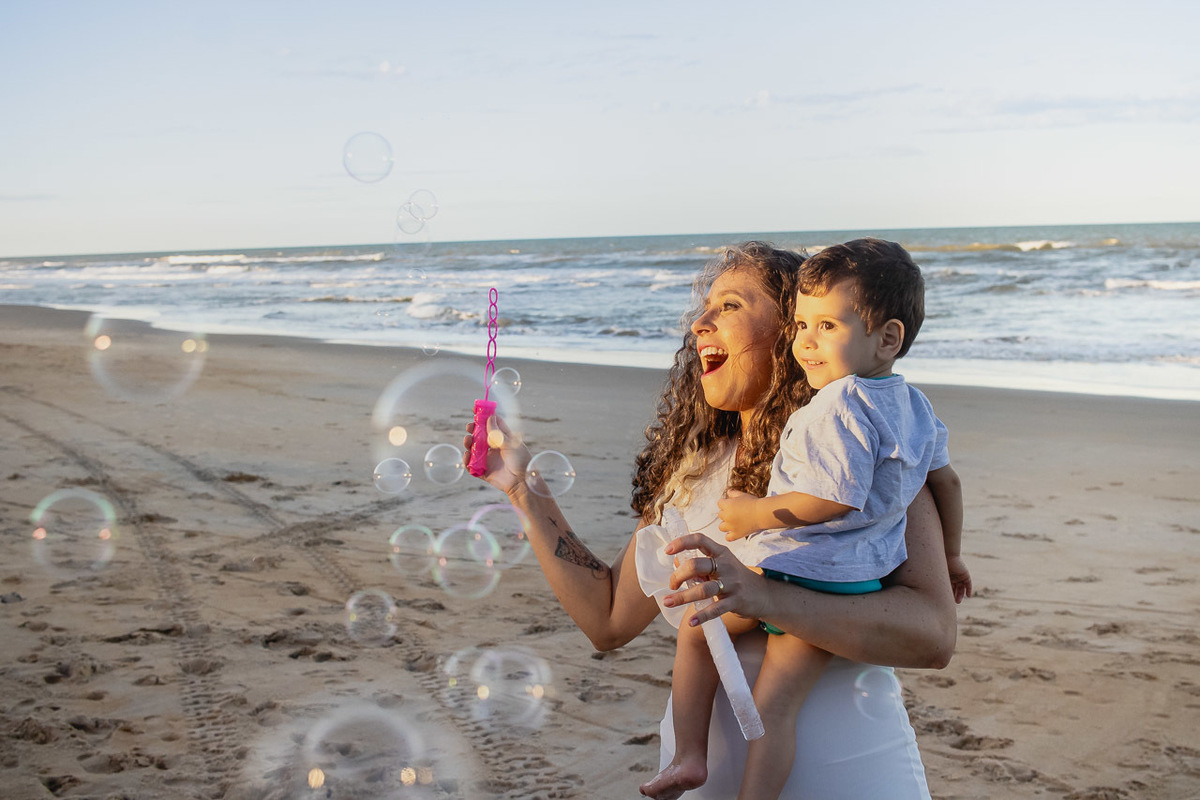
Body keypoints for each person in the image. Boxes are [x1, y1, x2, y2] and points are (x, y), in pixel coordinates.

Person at [465, 241, 957, 799]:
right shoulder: (697, 472)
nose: (699, 323)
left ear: (790, 330)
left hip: (846, 772)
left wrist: (768, 600)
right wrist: (523, 487)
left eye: (729, 306)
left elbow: (932, 636)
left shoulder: (858, 458)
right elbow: (606, 619)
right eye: (705, 308)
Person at [648, 238, 969, 800]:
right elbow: (949, 481)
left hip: (802, 571)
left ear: (886, 337)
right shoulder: (912, 407)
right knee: (774, 705)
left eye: (731, 306)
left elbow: (838, 498)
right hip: (847, 579)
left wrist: (752, 516)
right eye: (803, 325)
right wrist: (521, 488)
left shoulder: (841, 408)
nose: (806, 341)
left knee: (702, 635)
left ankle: (689, 754)